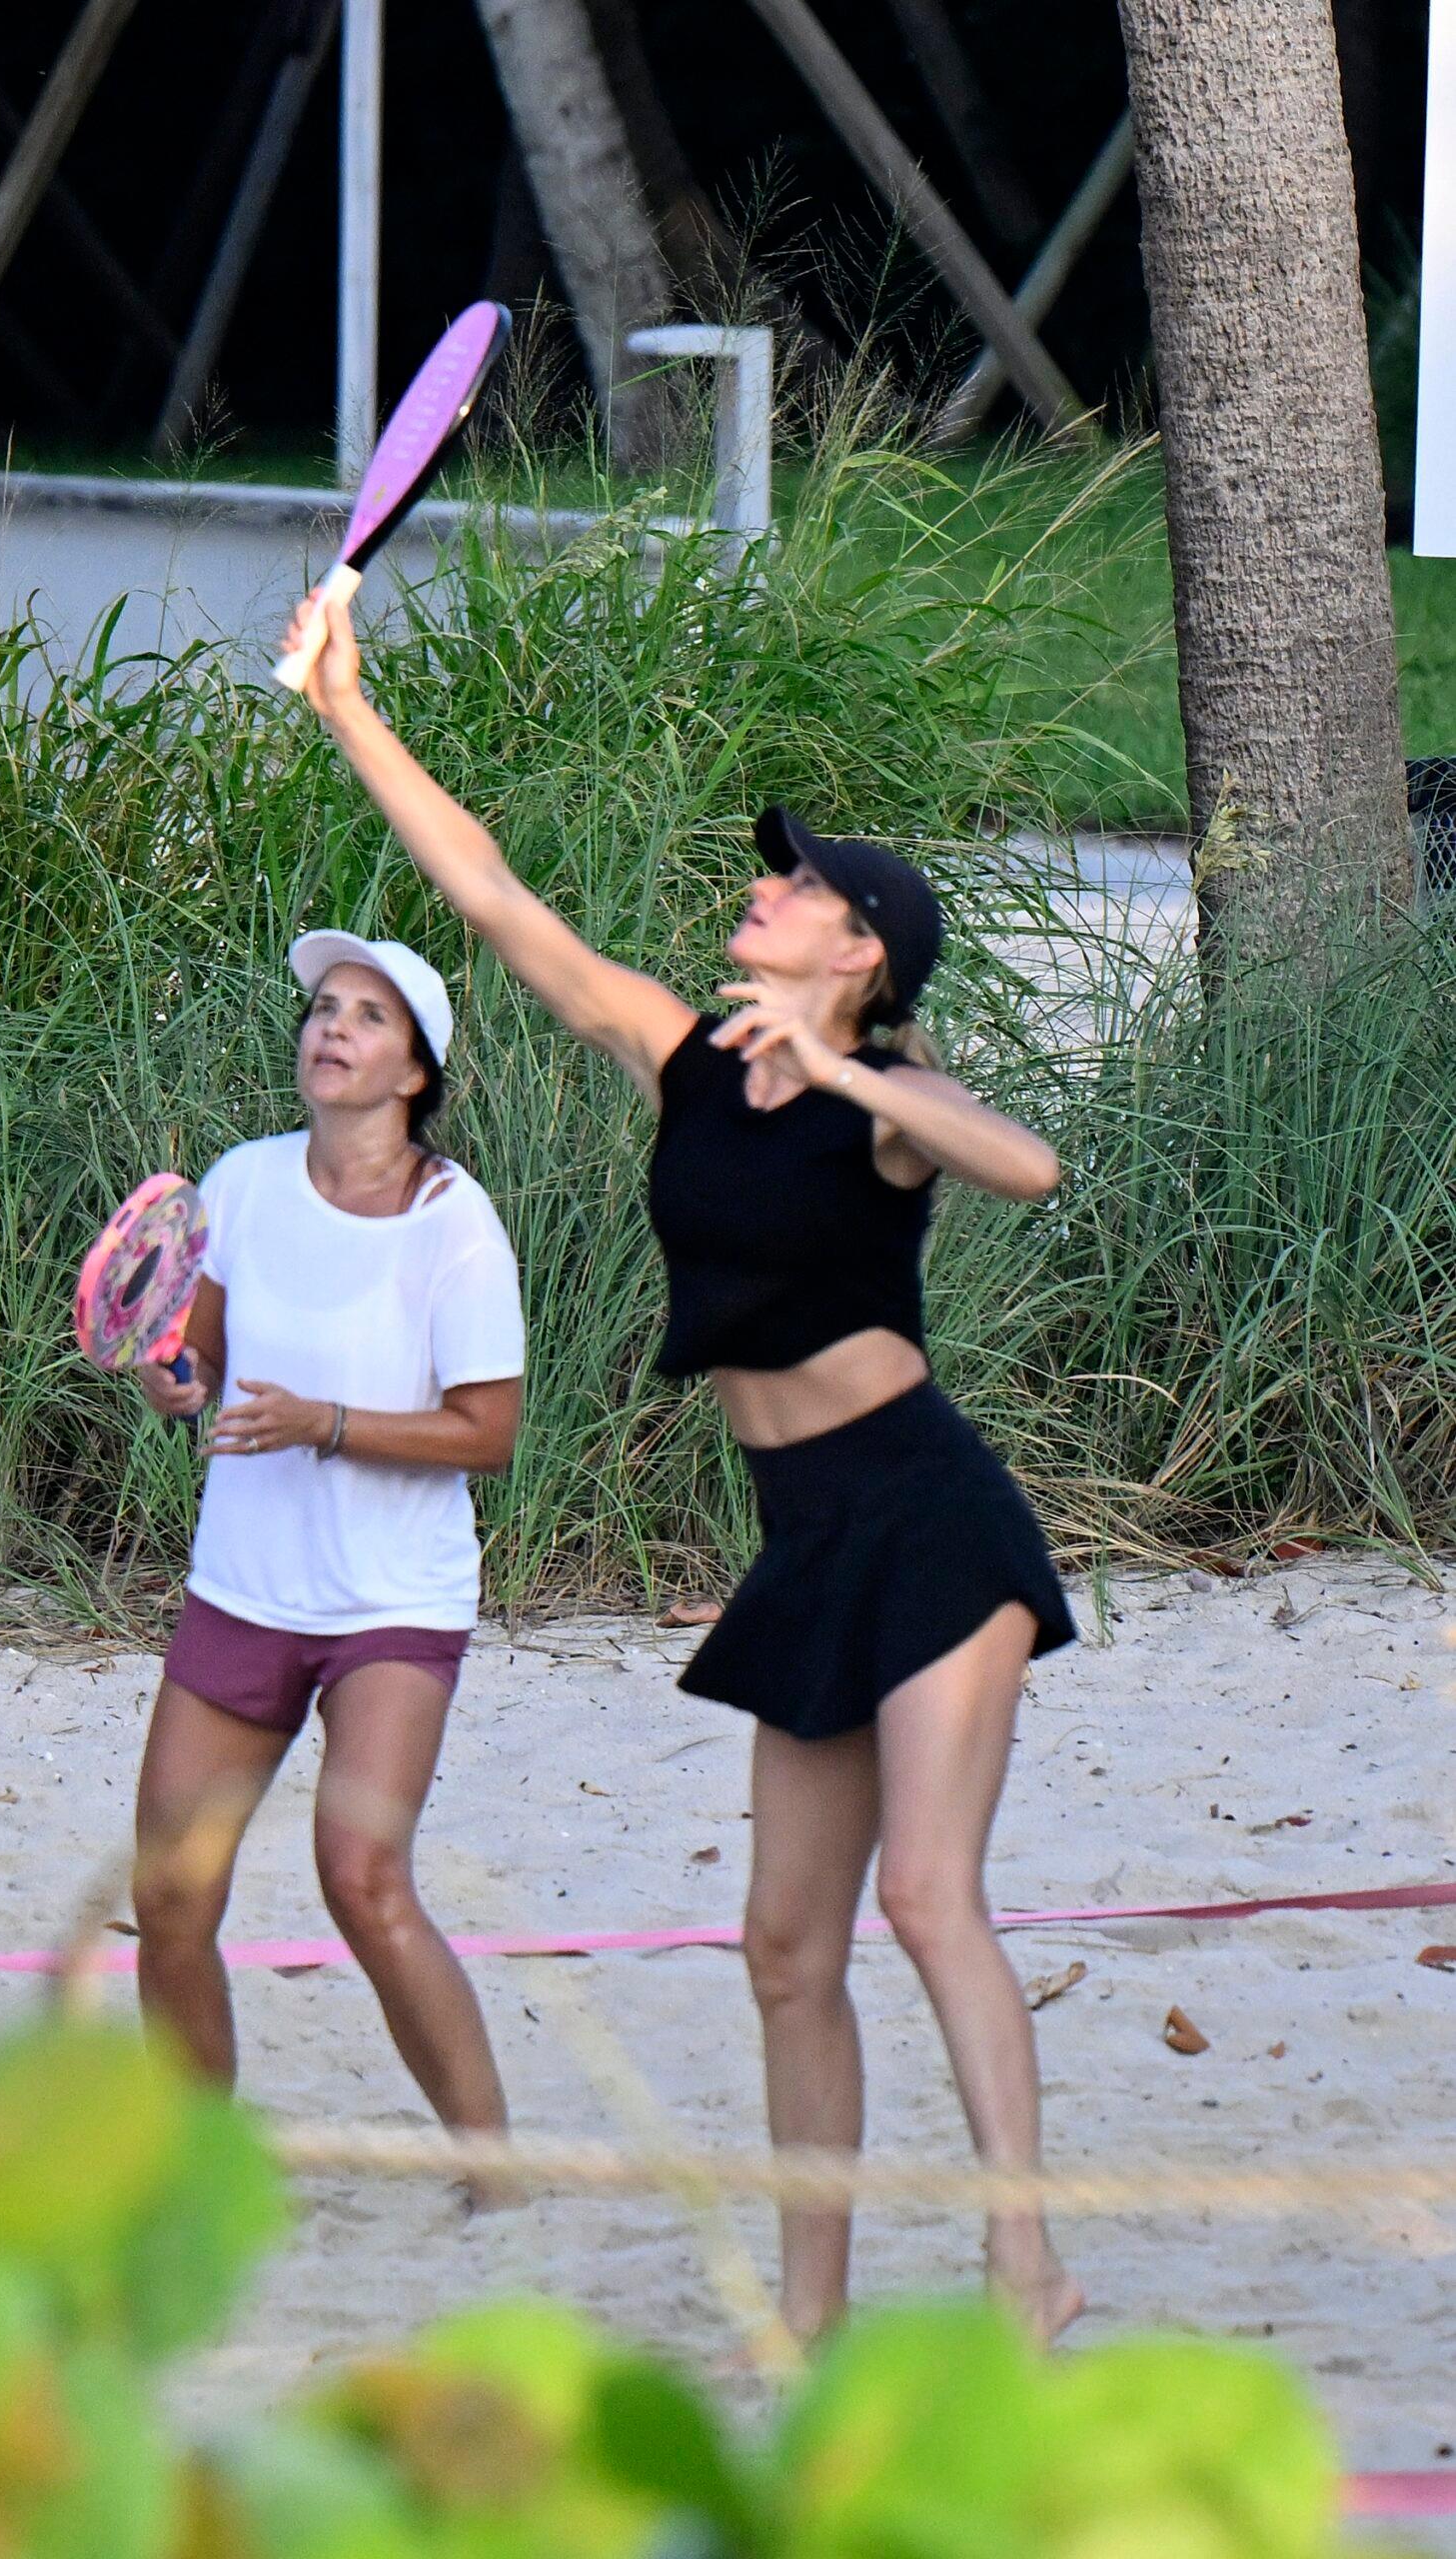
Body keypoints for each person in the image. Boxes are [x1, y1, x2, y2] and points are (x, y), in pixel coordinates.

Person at [283, 589, 1084, 2346]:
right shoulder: (685, 1059)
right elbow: (492, 900)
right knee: (783, 1950)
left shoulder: (882, 1101)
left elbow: (1020, 1164)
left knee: (930, 1899)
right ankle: (807, 2314)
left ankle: (1023, 2261)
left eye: (799, 883)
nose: (765, 887)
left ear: (857, 949)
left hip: (926, 1518)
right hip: (800, 1538)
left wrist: (843, 1066)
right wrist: (346, 705)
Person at [132, 930, 526, 2162]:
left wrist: (328, 1424)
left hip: (390, 1603)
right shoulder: (242, 1179)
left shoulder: (454, 1226)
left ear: (415, 1071)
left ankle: (494, 2168)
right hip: (243, 1588)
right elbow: (194, 1358)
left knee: (360, 1877)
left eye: (367, 1016)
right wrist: (173, 1381)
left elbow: (490, 1432)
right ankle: (198, 2182)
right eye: (323, 1008)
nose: (331, 1028)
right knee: (171, 1897)